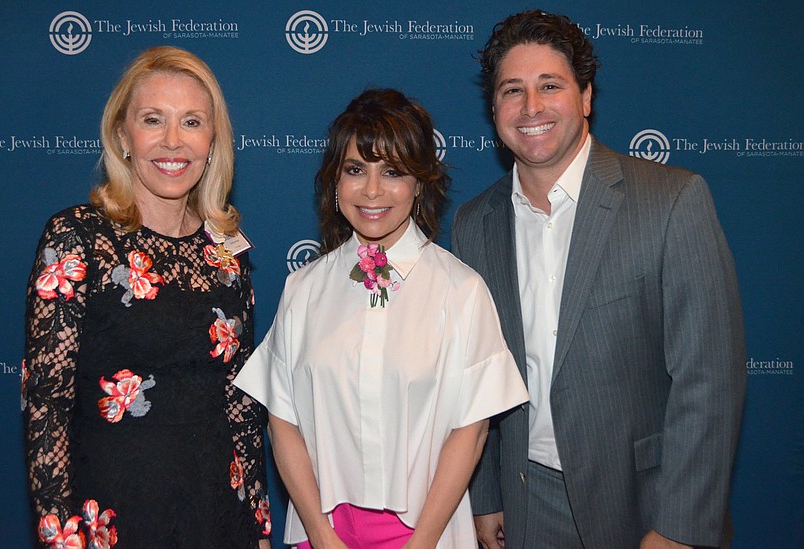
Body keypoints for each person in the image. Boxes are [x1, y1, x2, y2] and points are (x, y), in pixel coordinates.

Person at [452, 10, 746, 549]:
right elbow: (479, 375)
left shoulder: (671, 201)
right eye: (512, 90)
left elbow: (710, 381)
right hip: (526, 503)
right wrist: (486, 494)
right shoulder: (474, 224)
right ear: (494, 107)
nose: (531, 107)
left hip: (645, 506)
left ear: (586, 97)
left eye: (550, 86)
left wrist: (679, 528)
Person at [234, 88, 528, 548]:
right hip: (322, 532)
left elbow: (468, 435)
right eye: (355, 170)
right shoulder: (304, 289)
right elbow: (282, 420)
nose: (372, 191)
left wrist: (421, 543)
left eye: (392, 172)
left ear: (420, 182)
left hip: (424, 538)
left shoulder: (461, 291)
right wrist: (320, 534)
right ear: (335, 182)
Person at [23, 46, 270, 549]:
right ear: (122, 135)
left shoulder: (226, 252)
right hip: (114, 520)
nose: (173, 141)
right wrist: (62, 540)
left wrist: (259, 529)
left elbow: (240, 405)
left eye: (193, 122)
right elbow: (47, 407)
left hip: (218, 519)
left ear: (212, 139)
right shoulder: (78, 238)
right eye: (153, 120)